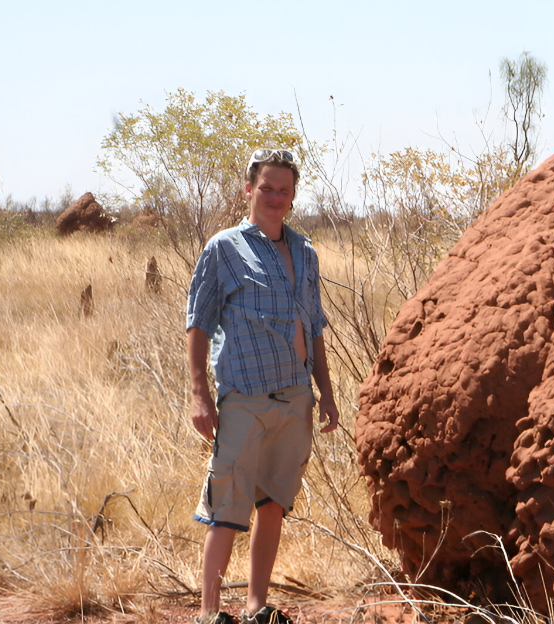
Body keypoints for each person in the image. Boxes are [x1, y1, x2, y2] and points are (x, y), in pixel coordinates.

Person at [186, 148, 339, 624]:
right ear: (249, 190)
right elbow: (198, 322)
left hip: (295, 397)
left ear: (292, 197)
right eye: (267, 188)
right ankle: (210, 613)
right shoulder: (224, 249)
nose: (275, 197)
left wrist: (326, 392)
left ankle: (256, 608)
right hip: (244, 398)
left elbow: (314, 326)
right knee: (227, 507)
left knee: (272, 504)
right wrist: (199, 394)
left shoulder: (304, 251)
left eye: (283, 190)